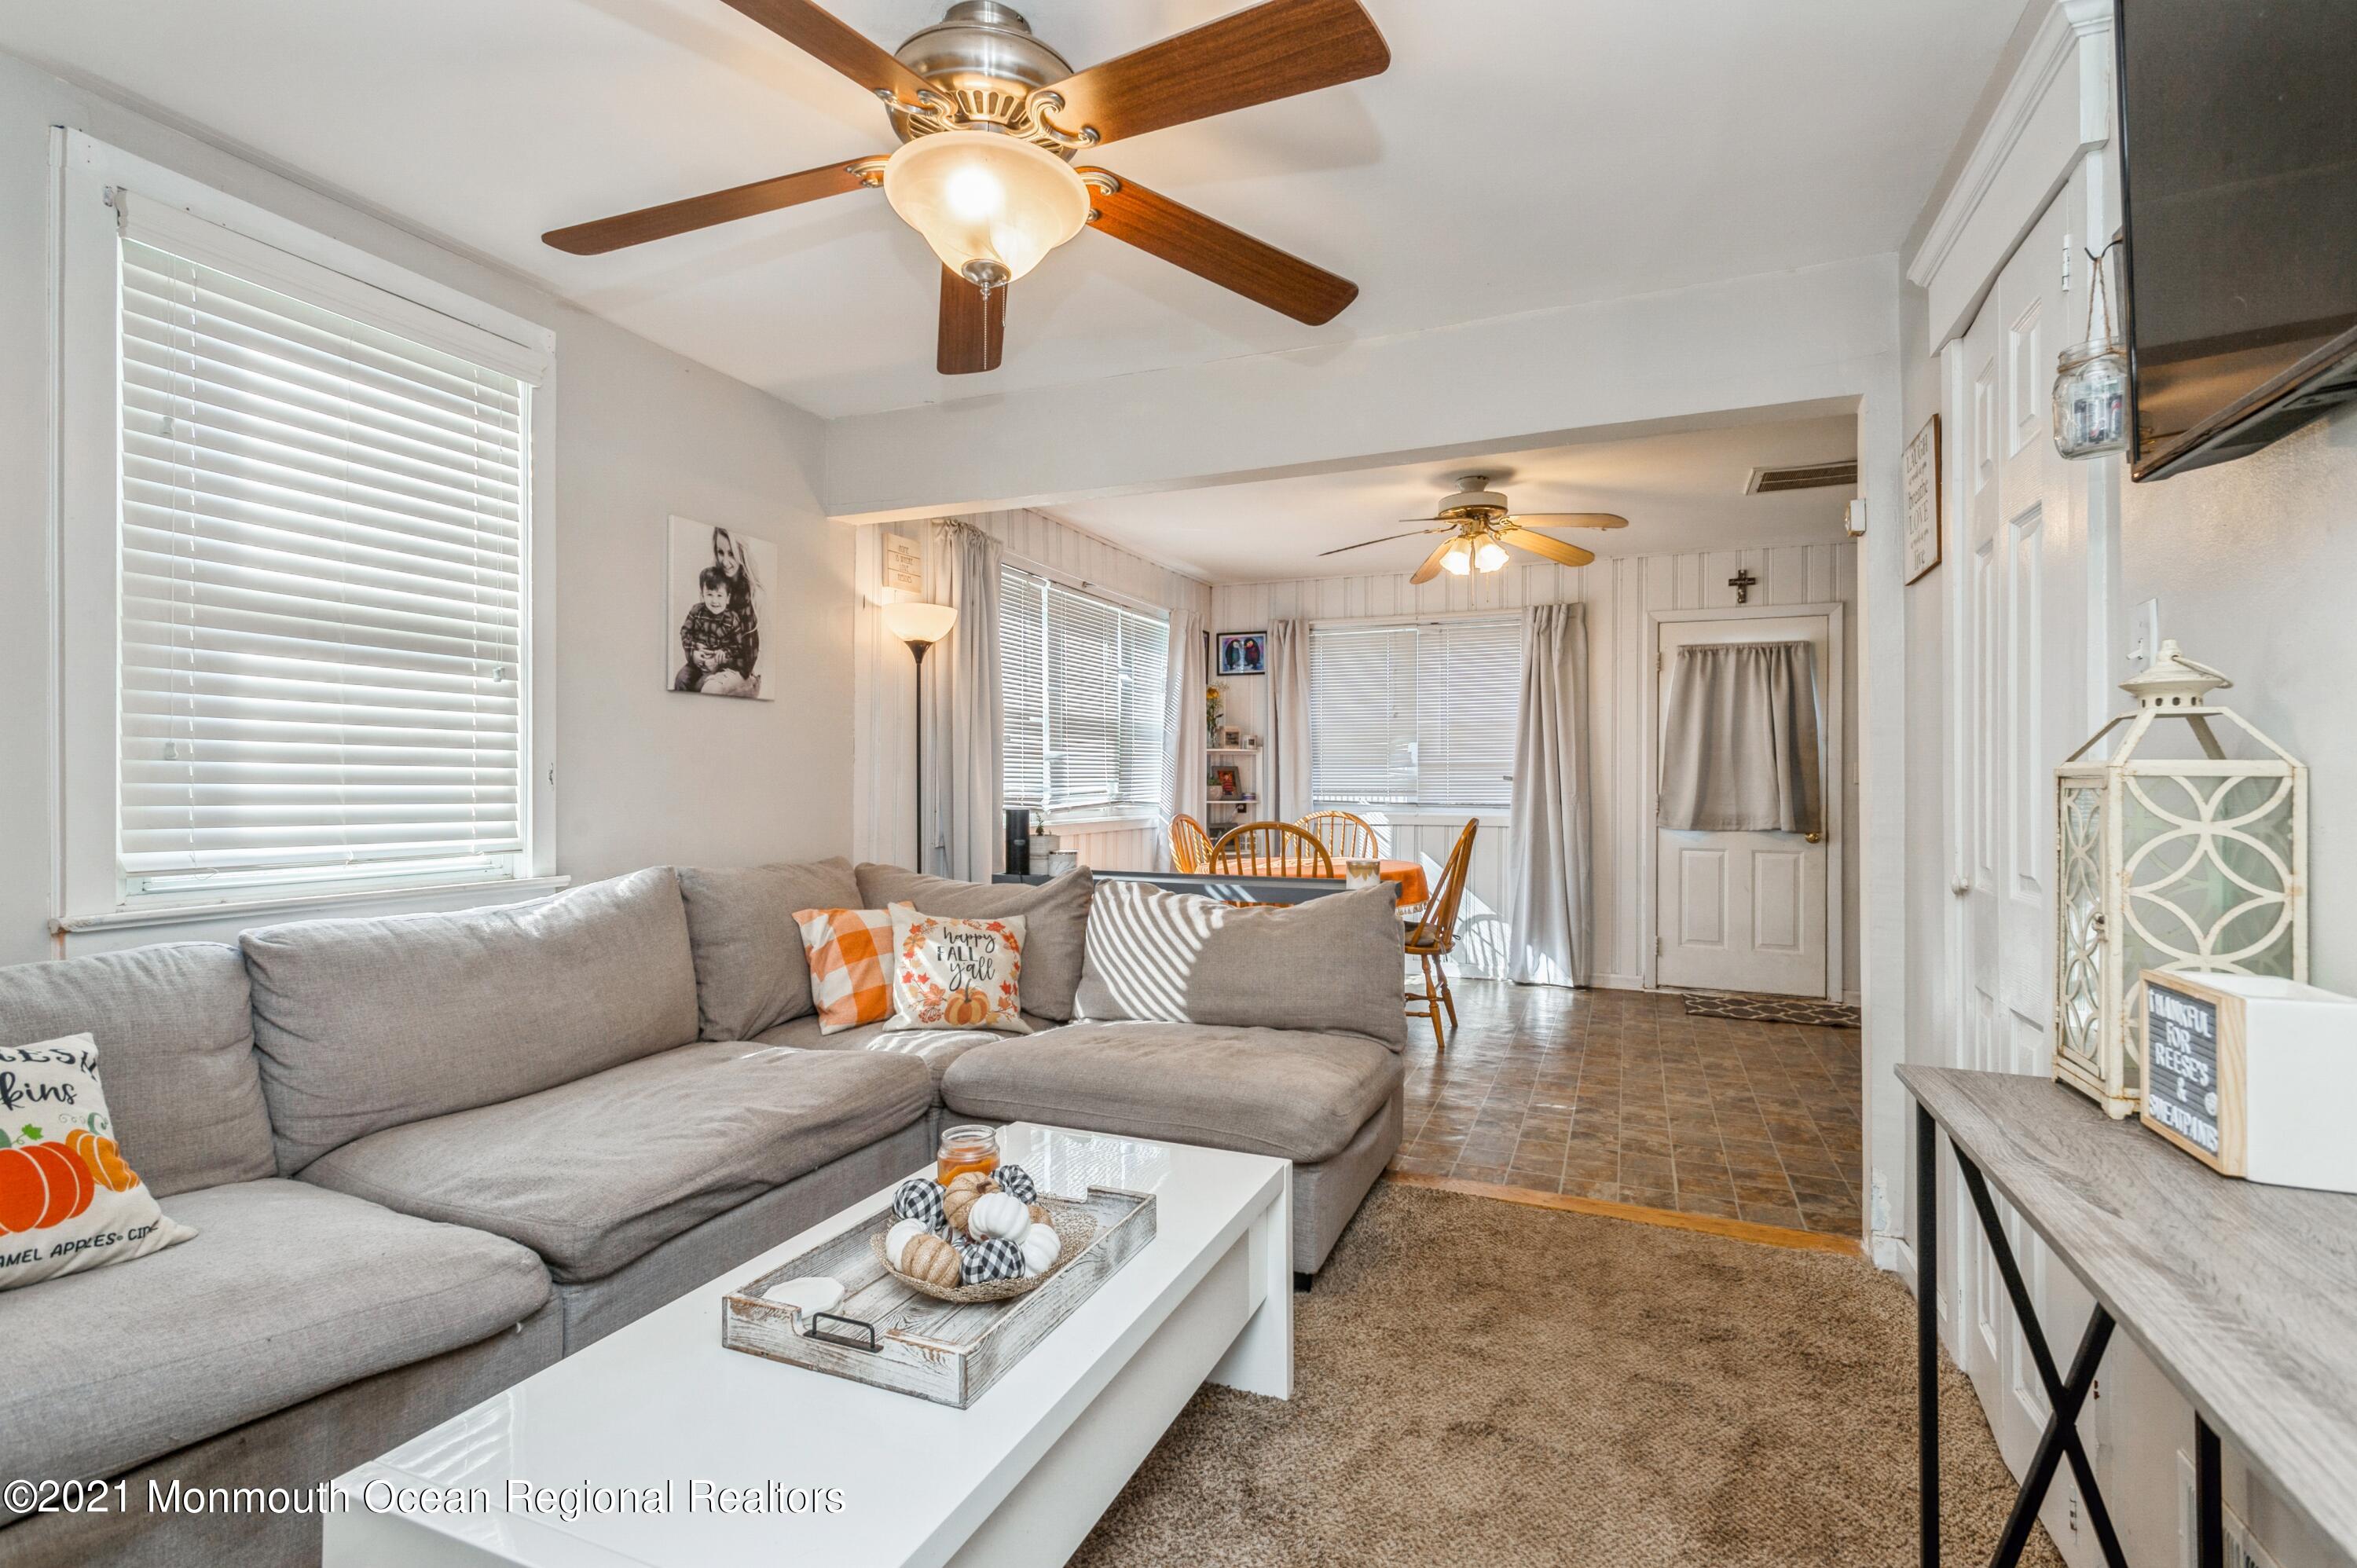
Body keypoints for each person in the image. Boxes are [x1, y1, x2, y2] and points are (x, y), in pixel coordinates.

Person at [674, 566, 757, 694]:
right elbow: (685, 632)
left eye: (719, 595)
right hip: (696, 662)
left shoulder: (732, 619)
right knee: (681, 680)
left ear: (728, 598)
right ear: (702, 595)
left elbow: (739, 646)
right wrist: (693, 652)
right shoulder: (696, 611)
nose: (714, 600)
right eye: (710, 594)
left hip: (717, 666)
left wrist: (725, 652)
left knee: (702, 686)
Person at [709, 526, 761, 681]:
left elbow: (750, 660)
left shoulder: (753, 595)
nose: (725, 562)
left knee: (710, 686)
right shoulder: (715, 588)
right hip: (717, 664)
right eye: (721, 552)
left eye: (731, 553)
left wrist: (721, 660)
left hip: (745, 672)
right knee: (682, 679)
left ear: (741, 553)